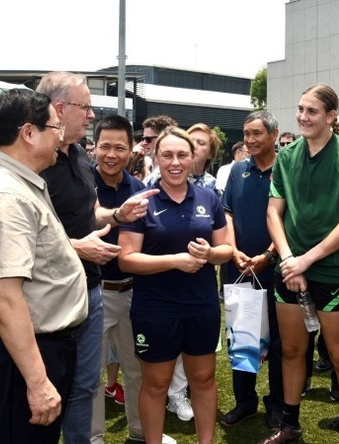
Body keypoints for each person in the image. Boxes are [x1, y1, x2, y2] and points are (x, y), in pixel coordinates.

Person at [0, 88, 86, 443]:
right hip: (25, 354)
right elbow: (4, 298)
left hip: (33, 347)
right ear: (29, 133)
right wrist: (38, 381)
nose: (61, 137)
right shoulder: (5, 196)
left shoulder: (14, 183)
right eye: (56, 128)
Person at [36, 71, 153, 443]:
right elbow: (27, 232)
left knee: (87, 381)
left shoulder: (76, 158)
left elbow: (91, 213)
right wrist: (77, 247)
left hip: (91, 288)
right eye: (85, 106)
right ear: (59, 108)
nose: (90, 114)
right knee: (56, 384)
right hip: (50, 293)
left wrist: (118, 215)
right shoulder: (35, 160)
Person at [263, 84, 339, 444]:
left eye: (312, 111)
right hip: (290, 271)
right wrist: (289, 260)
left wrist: (306, 260)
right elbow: (273, 213)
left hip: (334, 273)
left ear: (331, 116)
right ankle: (290, 426)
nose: (303, 117)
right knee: (292, 351)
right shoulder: (286, 156)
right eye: (300, 109)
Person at [119, 126, 233, 444]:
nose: (175, 162)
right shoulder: (141, 201)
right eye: (167, 155)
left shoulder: (209, 198)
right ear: (156, 158)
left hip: (201, 305)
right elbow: (126, 259)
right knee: (156, 384)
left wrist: (210, 254)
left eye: (182, 155)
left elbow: (226, 250)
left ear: (193, 158)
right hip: (156, 308)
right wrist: (175, 261)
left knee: (204, 379)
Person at [88, 115, 172, 444]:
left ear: (131, 149)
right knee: (91, 374)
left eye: (120, 148)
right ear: (94, 147)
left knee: (137, 368)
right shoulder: (82, 185)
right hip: (94, 292)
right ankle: (94, 438)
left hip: (134, 293)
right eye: (105, 146)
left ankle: (141, 432)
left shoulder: (140, 191)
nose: (111, 155)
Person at [220, 111, 285, 430]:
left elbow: (290, 218)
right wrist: (233, 250)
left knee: (279, 344)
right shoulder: (237, 170)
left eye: (257, 133)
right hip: (239, 269)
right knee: (243, 337)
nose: (250, 140)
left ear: (274, 135)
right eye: (246, 134)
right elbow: (227, 213)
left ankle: (278, 404)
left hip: (276, 269)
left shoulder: (287, 169)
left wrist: (269, 255)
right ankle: (245, 402)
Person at [139, 115, 178, 184]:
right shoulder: (143, 163)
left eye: (148, 139)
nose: (144, 143)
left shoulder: (175, 167)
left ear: (162, 138)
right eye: (143, 139)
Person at [187, 123, 221, 197]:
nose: (193, 146)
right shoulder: (166, 176)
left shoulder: (213, 186)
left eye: (201, 143)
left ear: (211, 154)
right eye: (189, 141)